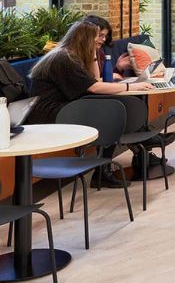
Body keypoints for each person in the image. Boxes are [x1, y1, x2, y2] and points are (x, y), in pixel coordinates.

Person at [29, 21, 154, 187]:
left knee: (114, 107)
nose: (102, 40)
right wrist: (131, 87)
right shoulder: (63, 58)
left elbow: (95, 80)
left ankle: (121, 156)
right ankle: (107, 168)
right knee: (110, 111)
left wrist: (94, 53)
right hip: (49, 113)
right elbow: (94, 87)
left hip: (65, 106)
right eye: (97, 37)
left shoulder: (71, 55)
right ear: (85, 38)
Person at [82, 15, 133, 81]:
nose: (104, 39)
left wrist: (118, 67)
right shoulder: (76, 57)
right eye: (100, 35)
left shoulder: (99, 53)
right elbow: (89, 84)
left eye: (105, 36)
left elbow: (105, 78)